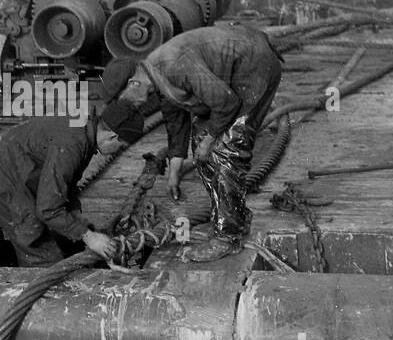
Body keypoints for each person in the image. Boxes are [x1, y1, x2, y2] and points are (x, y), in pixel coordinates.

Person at [104, 25, 282, 262]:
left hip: (253, 68)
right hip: (232, 78)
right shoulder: (156, 75)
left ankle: (228, 237)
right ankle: (228, 219)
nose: (131, 107)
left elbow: (225, 102)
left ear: (133, 84)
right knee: (202, 147)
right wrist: (175, 169)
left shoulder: (173, 66)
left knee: (227, 149)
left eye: (125, 100)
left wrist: (209, 141)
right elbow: (176, 119)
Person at [0, 106, 140, 266]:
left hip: (14, 166)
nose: (118, 151)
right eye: (122, 146)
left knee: (64, 235)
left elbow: (66, 184)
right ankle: (32, 284)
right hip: (2, 183)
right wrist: (89, 237)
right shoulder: (72, 144)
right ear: (112, 136)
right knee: (39, 249)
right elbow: (47, 210)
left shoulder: (86, 127)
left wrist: (81, 225)